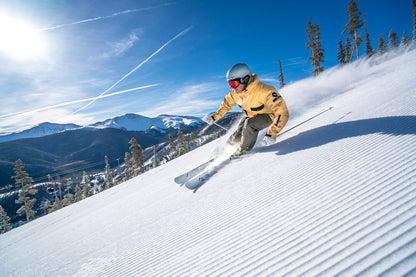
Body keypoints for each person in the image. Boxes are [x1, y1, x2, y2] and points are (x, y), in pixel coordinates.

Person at [207, 63, 289, 156]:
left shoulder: (264, 90)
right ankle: (227, 148)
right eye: (230, 84)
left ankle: (243, 150)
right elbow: (226, 105)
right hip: (251, 115)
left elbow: (282, 112)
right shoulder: (235, 93)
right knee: (238, 133)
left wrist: (272, 133)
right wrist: (214, 117)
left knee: (249, 125)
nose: (233, 88)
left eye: (234, 83)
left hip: (269, 115)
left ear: (245, 79)